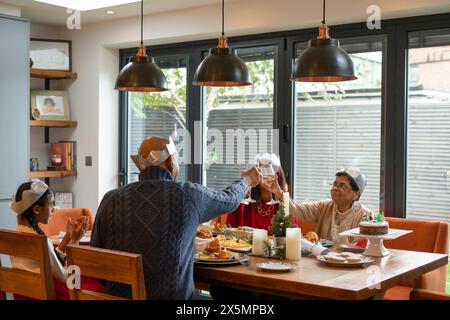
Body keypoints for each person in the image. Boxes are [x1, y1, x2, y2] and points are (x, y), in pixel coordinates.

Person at [91, 135, 261, 300]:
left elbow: (96, 261)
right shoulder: (187, 195)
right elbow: (229, 199)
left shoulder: (110, 199)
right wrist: (247, 179)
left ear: (141, 166)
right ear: (171, 161)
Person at [10, 179, 102, 299]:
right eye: (51, 204)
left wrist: (67, 237)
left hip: (24, 293)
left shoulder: (16, 235)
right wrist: (75, 241)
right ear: (37, 209)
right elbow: (65, 277)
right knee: (97, 284)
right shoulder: (40, 241)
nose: (54, 209)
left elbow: (50, 261)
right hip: (48, 294)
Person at [265, 167, 370, 246]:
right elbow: (298, 211)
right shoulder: (325, 206)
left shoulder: (365, 216)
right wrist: (279, 193)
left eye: (342, 185)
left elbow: (360, 248)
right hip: (322, 264)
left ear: (356, 194)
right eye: (334, 184)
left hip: (349, 269)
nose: (335, 188)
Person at [226, 153, 296, 231]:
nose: (267, 175)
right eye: (263, 171)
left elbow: (292, 233)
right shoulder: (242, 201)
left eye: (271, 171)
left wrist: (279, 194)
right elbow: (229, 231)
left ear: (277, 175)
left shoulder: (285, 203)